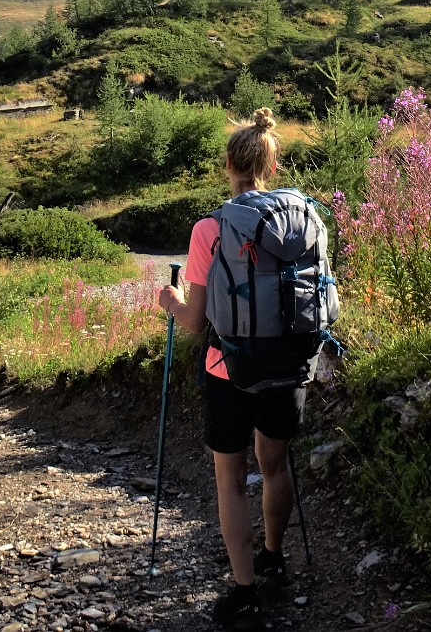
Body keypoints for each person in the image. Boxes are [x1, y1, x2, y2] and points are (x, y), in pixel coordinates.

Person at [157, 108, 300, 631]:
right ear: (273, 165)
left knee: (231, 480)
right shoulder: (302, 220)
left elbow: (195, 322)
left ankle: (245, 593)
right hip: (288, 363)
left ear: (228, 165)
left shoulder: (209, 228)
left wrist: (170, 300)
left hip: (228, 367)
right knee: (277, 464)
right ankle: (274, 556)